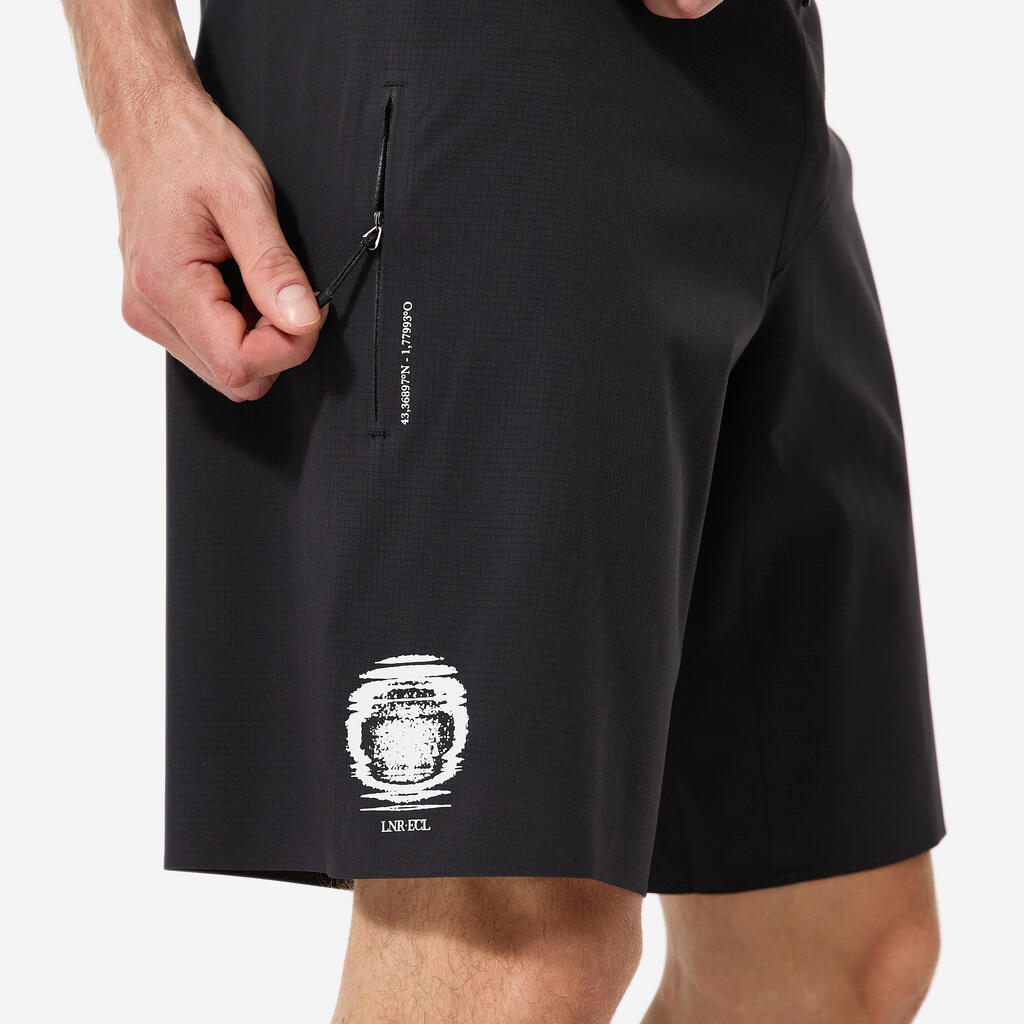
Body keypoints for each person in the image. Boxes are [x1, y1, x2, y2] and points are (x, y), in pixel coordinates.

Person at [62, 0, 946, 1020]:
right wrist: (140, 102)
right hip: (460, 70)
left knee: (831, 941)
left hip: (755, 74)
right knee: (511, 938)